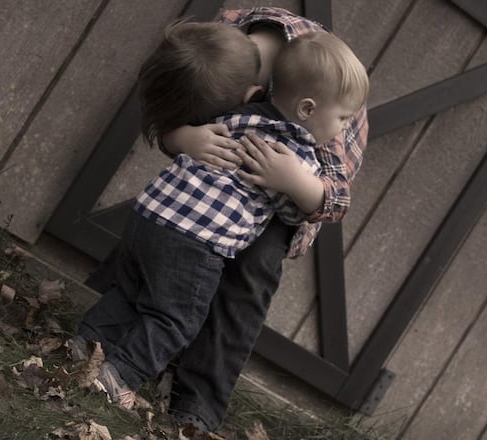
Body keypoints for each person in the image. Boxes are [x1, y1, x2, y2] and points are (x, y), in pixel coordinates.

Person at [74, 14, 369, 432]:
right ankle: (117, 372)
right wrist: (183, 138)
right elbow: (170, 111)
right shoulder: (207, 45)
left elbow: (333, 198)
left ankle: (194, 402)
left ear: (251, 95)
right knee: (175, 313)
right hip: (206, 209)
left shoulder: (330, 100)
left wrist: (295, 182)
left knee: (248, 276)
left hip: (262, 191)